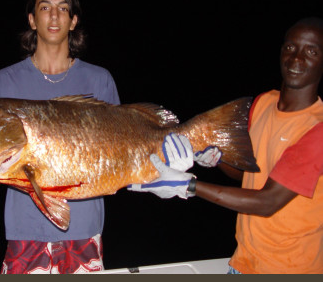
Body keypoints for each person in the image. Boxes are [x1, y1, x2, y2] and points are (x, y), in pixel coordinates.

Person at [129, 17, 323, 274]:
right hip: (243, 262)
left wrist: (188, 185)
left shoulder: (317, 129)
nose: (296, 59)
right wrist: (218, 159)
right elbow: (248, 174)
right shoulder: (264, 103)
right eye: (290, 47)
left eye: (311, 51)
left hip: (290, 269)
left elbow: (268, 201)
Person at [0, 0, 120, 274]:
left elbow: (118, 152)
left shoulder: (100, 80)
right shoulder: (6, 81)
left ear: (73, 22)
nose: (54, 16)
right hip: (25, 231)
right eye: (45, 7)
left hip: (84, 229)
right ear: (32, 20)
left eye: (63, 8)